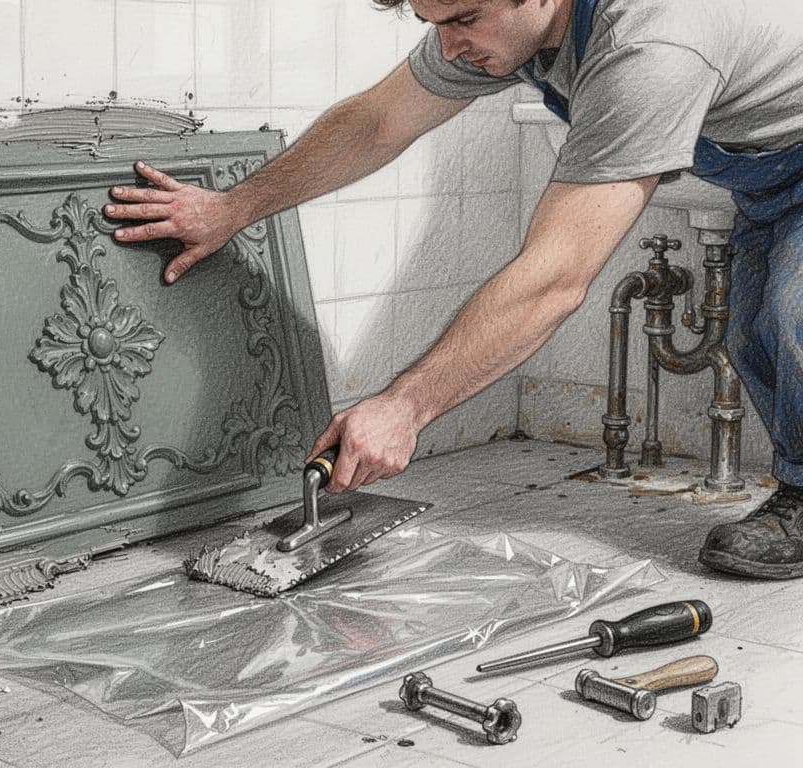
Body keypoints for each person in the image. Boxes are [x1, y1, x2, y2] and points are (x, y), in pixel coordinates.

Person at [104, 0, 803, 580]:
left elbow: (555, 278)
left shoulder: (653, 43)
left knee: (793, 309)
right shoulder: (506, 27)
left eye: (464, 19)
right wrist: (232, 209)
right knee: (751, 330)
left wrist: (405, 406)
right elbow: (378, 121)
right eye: (432, 22)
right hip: (768, 177)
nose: (448, 45)